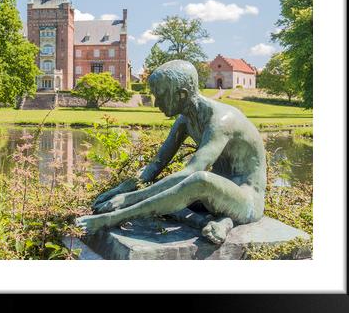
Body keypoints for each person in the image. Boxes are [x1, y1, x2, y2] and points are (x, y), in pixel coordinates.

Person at [75, 60, 266, 244]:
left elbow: (192, 172)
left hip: (246, 200)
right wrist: (120, 190)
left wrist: (126, 200)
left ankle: (111, 219)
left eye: (160, 95)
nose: (156, 102)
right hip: (214, 199)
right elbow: (156, 165)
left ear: (181, 94)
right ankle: (218, 221)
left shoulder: (222, 121)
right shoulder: (185, 119)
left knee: (199, 180)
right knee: (167, 193)